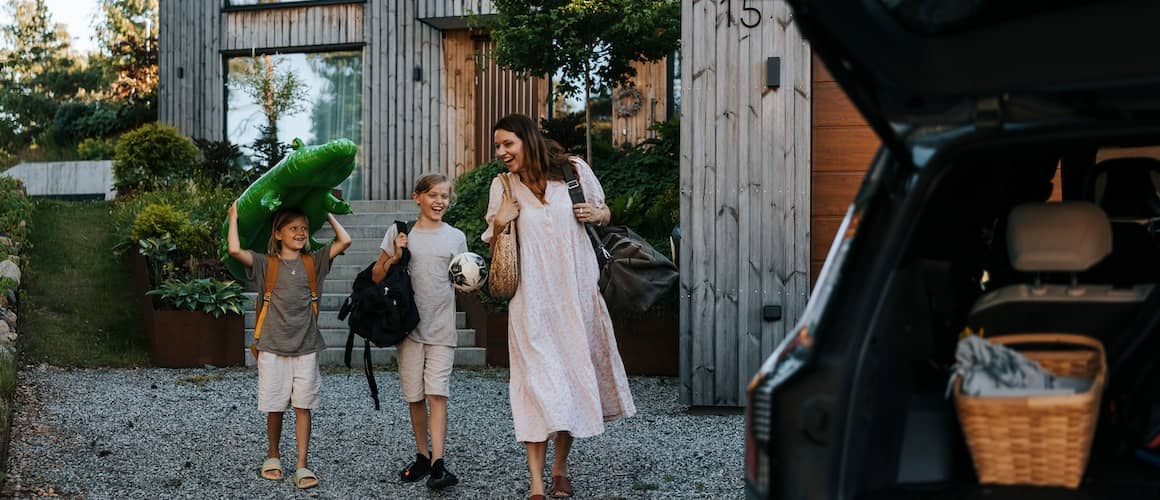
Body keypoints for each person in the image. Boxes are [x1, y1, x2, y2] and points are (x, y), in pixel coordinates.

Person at [484, 114, 636, 499]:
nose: (501, 152)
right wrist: (501, 222)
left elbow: (606, 213)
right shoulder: (502, 185)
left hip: (574, 297)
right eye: (498, 146)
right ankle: (536, 481)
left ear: (528, 140)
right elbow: (496, 249)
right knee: (535, 386)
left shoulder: (573, 171)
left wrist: (596, 214)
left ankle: (560, 469)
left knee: (567, 382)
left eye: (508, 144)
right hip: (530, 302)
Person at [226, 202, 352, 490]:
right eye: (294, 228)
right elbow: (234, 250)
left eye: (305, 229)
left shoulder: (314, 262)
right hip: (271, 346)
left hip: (306, 347)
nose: (301, 233)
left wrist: (325, 212)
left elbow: (345, 240)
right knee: (275, 405)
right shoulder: (264, 264)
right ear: (278, 234)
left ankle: (302, 463)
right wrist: (234, 216)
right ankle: (273, 455)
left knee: (303, 405)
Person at [373, 173, 469, 490]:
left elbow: (462, 280)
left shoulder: (456, 237)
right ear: (418, 197)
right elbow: (376, 275)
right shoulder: (400, 232)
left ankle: (439, 464)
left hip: (442, 329)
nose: (440, 201)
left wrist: (471, 283)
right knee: (415, 396)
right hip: (408, 330)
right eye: (433, 195)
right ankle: (422, 456)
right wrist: (397, 256)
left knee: (437, 393)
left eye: (444, 196)